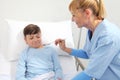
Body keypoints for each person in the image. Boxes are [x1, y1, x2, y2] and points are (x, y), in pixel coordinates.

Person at [55, 0, 120, 80]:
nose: (72, 19)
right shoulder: (92, 30)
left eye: (74, 15)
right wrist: (65, 49)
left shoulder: (108, 36)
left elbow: (90, 72)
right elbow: (87, 53)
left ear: (87, 13)